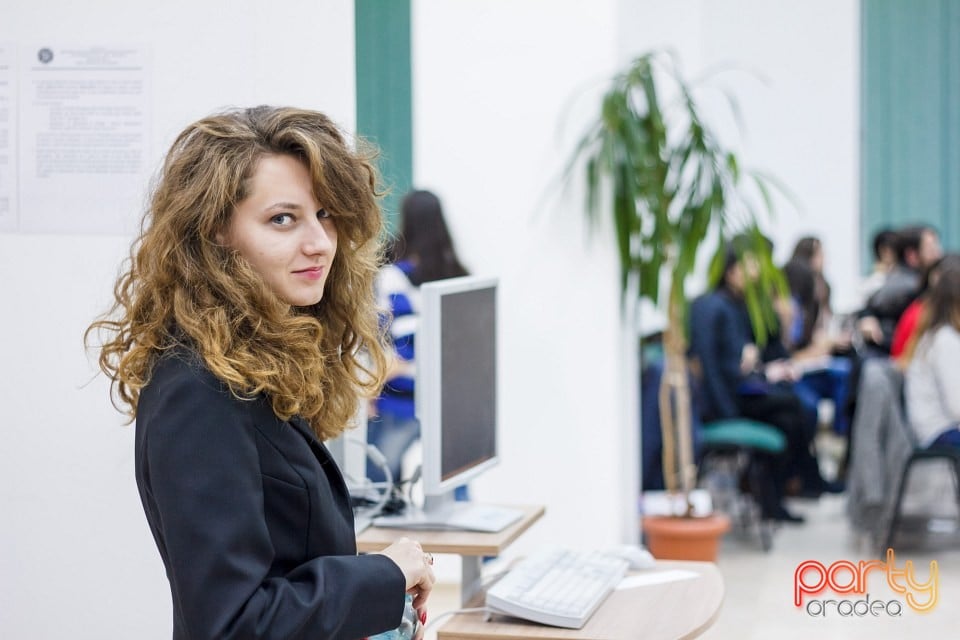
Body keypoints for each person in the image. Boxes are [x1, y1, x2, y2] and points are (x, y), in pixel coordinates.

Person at [85, 106, 435, 639]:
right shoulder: (198, 391)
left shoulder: (255, 364)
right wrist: (382, 575)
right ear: (218, 233)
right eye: (283, 219)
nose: (319, 241)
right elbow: (231, 623)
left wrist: (382, 579)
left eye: (325, 214)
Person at [688, 243, 828, 522]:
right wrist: (726, 410)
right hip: (727, 399)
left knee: (790, 416)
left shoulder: (738, 305)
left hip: (741, 388)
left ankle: (774, 500)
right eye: (750, 266)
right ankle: (790, 489)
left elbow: (755, 349)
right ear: (730, 271)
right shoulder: (711, 306)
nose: (756, 273)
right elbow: (713, 365)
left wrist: (761, 367)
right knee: (794, 406)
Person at [367, 189, 468, 486]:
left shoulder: (393, 276)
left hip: (401, 399)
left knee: (378, 489)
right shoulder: (458, 274)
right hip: (446, 399)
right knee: (453, 486)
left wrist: (372, 388)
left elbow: (397, 343)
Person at [903, 255, 960, 449]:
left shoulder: (937, 335)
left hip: (937, 431)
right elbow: (957, 407)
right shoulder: (945, 340)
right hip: (941, 433)